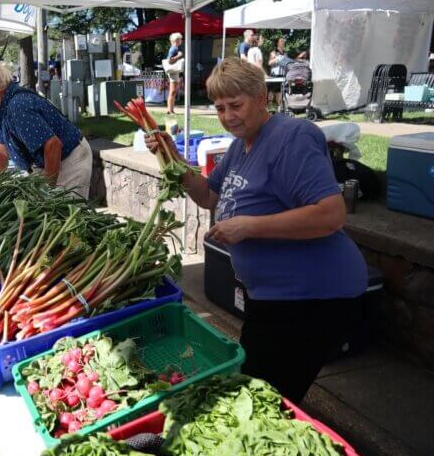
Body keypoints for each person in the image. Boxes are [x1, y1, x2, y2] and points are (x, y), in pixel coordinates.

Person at [146, 57, 367, 403]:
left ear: (261, 97)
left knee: (265, 398)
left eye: (236, 105)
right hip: (270, 298)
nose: (227, 115)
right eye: (219, 108)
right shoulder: (239, 147)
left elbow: (331, 214)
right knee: (256, 388)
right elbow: (207, 195)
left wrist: (249, 227)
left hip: (313, 298)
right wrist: (171, 157)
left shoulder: (293, 136)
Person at [0, 59, 93, 199]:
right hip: (51, 161)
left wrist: (46, 192)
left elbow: (53, 145)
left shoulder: (17, 107)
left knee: (64, 216)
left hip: (69, 160)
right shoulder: (2, 109)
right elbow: (1, 151)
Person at [165, 32, 184, 115]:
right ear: (177, 40)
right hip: (173, 71)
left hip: (174, 72)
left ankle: (171, 110)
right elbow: (169, 60)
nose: (181, 40)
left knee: (174, 91)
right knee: (173, 91)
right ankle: (170, 110)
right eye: (180, 39)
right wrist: (179, 55)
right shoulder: (174, 49)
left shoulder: (174, 48)